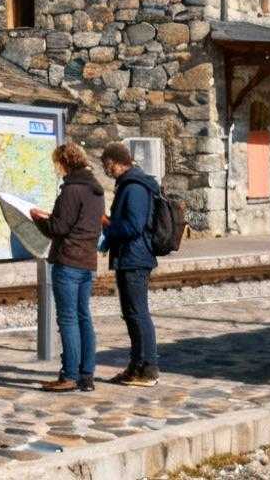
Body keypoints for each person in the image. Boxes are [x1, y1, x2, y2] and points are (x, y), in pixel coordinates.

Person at [30, 141, 105, 392]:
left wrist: (38, 220)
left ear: (64, 163)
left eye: (57, 164)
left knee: (69, 319)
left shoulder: (71, 191)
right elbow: (79, 223)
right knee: (84, 317)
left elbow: (59, 228)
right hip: (87, 262)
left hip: (68, 261)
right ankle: (87, 375)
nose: (57, 169)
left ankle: (70, 375)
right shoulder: (96, 190)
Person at [97, 141, 160, 386]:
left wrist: (108, 225)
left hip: (135, 257)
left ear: (118, 162)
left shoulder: (133, 187)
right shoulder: (130, 184)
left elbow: (134, 226)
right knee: (132, 314)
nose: (106, 171)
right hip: (130, 256)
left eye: (107, 166)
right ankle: (136, 366)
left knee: (138, 313)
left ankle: (148, 368)